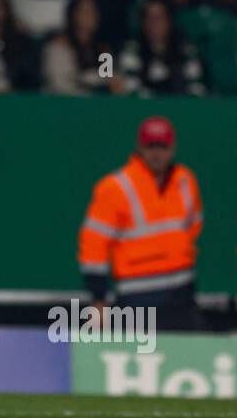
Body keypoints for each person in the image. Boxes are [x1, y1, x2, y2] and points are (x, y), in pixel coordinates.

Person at [78, 116, 207, 332]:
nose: (157, 153)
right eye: (151, 146)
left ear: (172, 148)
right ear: (140, 147)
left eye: (162, 147)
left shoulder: (185, 180)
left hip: (182, 291)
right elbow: (93, 244)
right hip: (137, 294)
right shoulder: (115, 186)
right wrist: (98, 298)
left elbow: (193, 226)